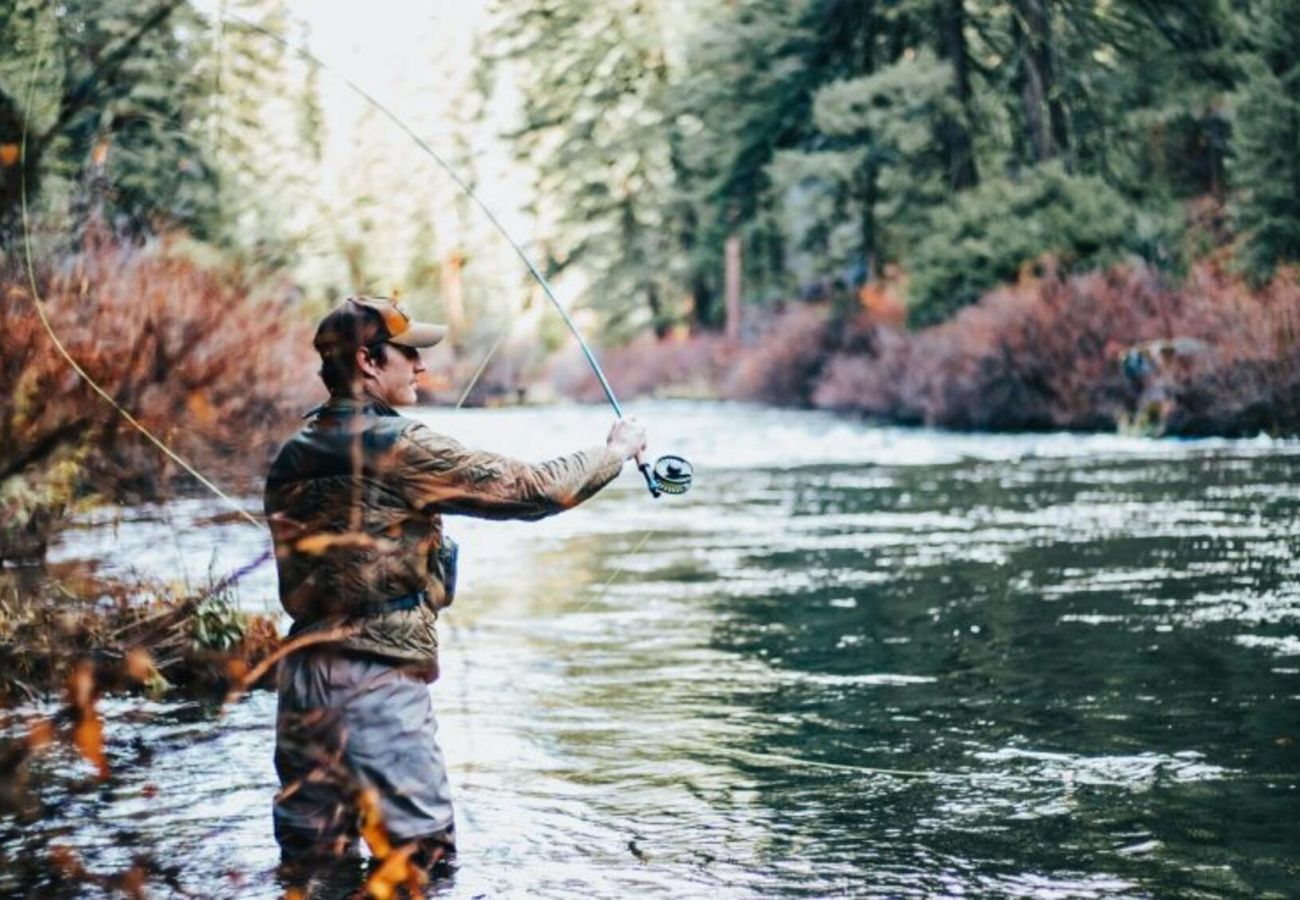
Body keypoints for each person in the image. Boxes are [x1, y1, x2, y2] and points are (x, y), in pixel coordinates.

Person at [264, 296, 646, 877]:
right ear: (368, 361)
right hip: (376, 680)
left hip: (301, 684)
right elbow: (532, 490)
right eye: (409, 353)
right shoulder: (402, 446)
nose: (420, 366)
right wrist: (614, 453)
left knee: (312, 871)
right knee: (420, 866)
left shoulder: (291, 454)